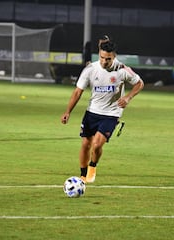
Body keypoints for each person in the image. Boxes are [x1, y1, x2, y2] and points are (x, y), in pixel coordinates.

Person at [61, 38, 144, 183]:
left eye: (108, 59)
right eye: (102, 58)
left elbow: (139, 83)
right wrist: (68, 112)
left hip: (111, 114)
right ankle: (83, 174)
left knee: (97, 144)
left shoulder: (122, 70)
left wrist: (128, 97)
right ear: (99, 54)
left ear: (114, 56)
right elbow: (77, 92)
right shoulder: (90, 69)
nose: (104, 62)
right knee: (86, 144)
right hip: (92, 112)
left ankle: (93, 166)